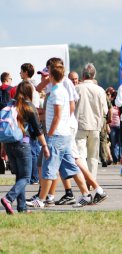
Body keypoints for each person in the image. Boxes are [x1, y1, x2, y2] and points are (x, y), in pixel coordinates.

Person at [27, 62, 92, 208]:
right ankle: (86, 194)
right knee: (72, 167)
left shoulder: (57, 92)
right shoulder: (59, 89)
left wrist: (49, 135)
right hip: (64, 134)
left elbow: (56, 116)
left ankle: (42, 199)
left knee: (48, 168)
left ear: (51, 75)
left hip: (56, 135)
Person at [0, 81, 49, 214]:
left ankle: (22, 208)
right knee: (26, 177)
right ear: (29, 92)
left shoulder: (10, 105)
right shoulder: (28, 107)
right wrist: (44, 146)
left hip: (9, 144)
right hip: (23, 144)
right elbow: (38, 130)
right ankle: (8, 198)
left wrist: (3, 147)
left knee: (19, 176)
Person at [75, 63, 108, 180]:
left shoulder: (77, 88)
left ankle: (84, 179)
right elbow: (105, 110)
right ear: (94, 75)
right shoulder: (100, 90)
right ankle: (91, 179)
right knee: (93, 156)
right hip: (95, 126)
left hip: (79, 125)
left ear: (82, 75)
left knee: (80, 155)